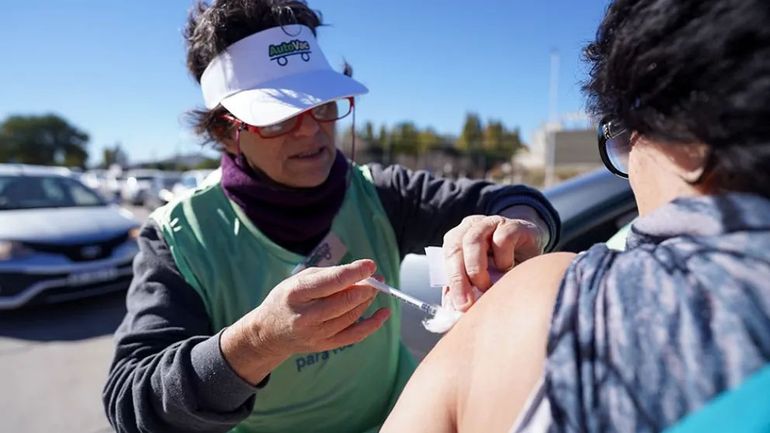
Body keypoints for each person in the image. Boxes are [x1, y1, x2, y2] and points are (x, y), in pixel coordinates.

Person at [101, 1, 561, 432]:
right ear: (225, 132)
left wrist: (515, 229)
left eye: (322, 105)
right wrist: (259, 341)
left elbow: (519, 201)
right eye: (279, 117)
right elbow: (130, 398)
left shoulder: (379, 194)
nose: (313, 131)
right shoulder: (179, 238)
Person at [381, 0, 770, 431]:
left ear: (691, 135)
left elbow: (514, 199)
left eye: (625, 133)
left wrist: (524, 234)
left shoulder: (551, 305)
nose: (631, 175)